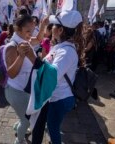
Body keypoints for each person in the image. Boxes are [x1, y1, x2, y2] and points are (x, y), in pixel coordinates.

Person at [26, 10, 84, 144]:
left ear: (61, 30)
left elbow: (51, 75)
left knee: (53, 129)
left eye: (53, 25)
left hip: (60, 99)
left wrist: (32, 57)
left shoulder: (66, 52)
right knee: (53, 126)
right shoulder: (60, 47)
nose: (51, 28)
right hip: (56, 97)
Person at [4, 14, 35, 144]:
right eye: (28, 31)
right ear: (18, 29)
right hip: (16, 91)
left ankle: (18, 126)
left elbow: (35, 63)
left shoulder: (25, 42)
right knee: (27, 119)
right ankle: (19, 140)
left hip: (24, 89)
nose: (31, 34)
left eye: (32, 30)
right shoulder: (12, 47)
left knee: (23, 115)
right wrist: (21, 56)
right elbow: (11, 73)